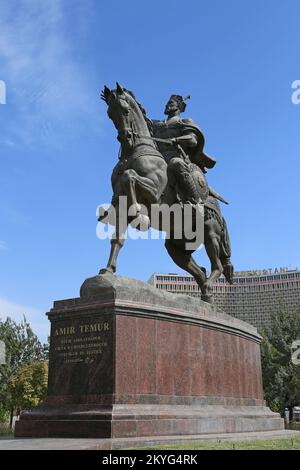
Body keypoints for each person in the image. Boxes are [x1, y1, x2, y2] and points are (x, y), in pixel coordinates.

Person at [152, 95, 218, 206]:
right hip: (157, 157)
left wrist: (177, 139)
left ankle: (195, 201)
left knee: (176, 163)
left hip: (175, 156)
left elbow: (192, 140)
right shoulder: (157, 124)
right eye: (167, 103)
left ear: (179, 106)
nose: (167, 105)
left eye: (170, 103)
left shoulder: (184, 121)